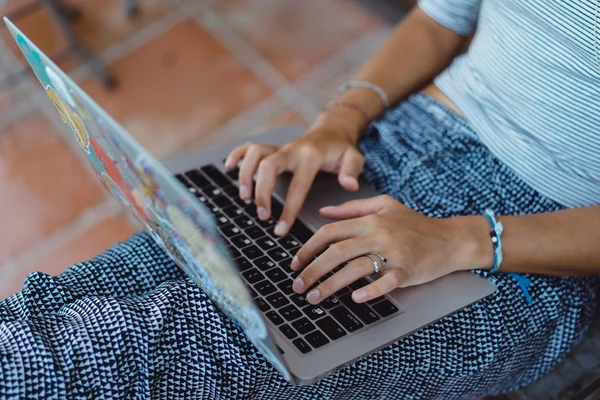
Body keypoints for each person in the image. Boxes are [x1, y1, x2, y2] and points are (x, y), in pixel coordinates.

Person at [1, 1, 599, 399]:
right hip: (387, 144)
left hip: (521, 244)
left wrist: (460, 239)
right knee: (68, 297)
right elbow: (440, 18)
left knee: (122, 352)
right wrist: (338, 123)